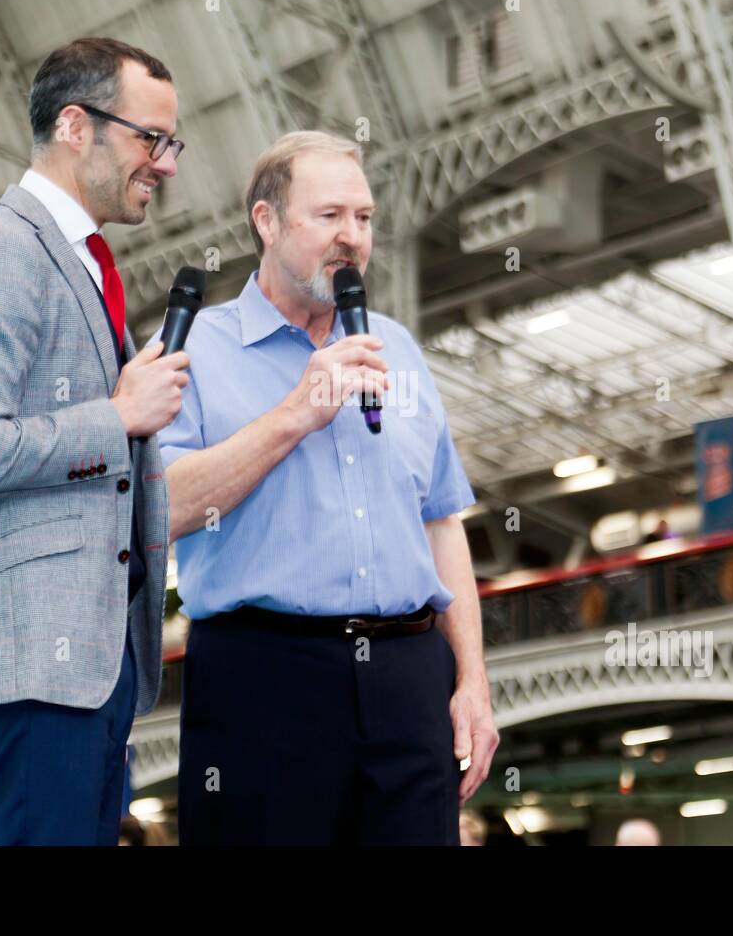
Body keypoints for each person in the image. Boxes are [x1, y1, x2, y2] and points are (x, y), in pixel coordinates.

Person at [157, 130, 499, 845]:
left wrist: (472, 679)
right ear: (267, 222)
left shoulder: (397, 350)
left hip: (409, 677)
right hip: (265, 678)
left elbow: (441, 522)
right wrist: (294, 416)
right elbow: (159, 510)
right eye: (330, 216)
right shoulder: (190, 352)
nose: (352, 238)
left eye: (365, 218)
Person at [0, 37, 190, 845]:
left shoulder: (79, 261)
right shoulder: (1, 253)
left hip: (84, 668)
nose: (164, 164)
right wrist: (118, 416)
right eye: (150, 139)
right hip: (28, 665)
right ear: (77, 125)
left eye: (169, 143)